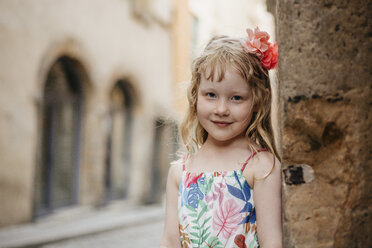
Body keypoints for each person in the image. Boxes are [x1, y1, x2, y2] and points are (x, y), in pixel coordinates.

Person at [159, 27, 282, 248]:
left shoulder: (261, 167)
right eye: (211, 95)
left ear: (257, 102)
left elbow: (272, 242)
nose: (221, 109)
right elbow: (169, 241)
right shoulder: (180, 172)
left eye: (236, 97)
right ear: (196, 95)